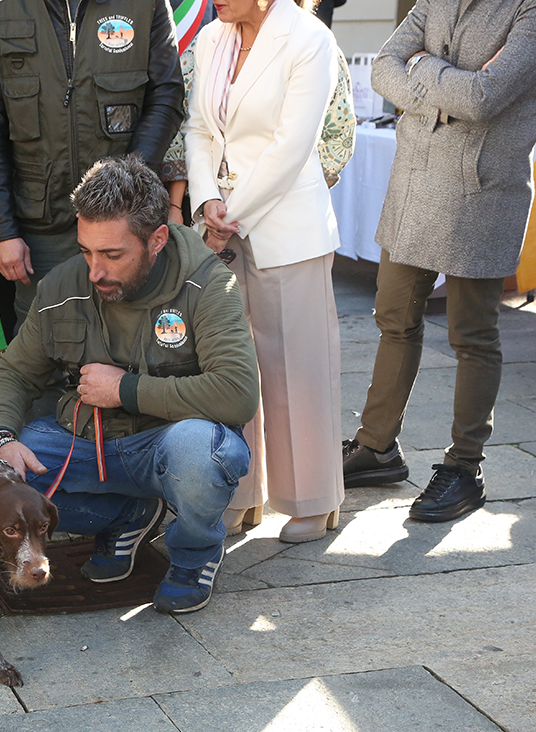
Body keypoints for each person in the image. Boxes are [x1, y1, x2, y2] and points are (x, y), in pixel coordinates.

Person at [0, 155, 259, 614]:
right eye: (87, 250)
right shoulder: (64, 284)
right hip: (92, 443)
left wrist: (125, 389)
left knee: (199, 449)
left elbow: (238, 392)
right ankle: (127, 516)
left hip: (171, 447)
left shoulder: (208, 284)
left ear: (157, 240)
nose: (94, 270)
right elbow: (14, 372)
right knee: (2, 478)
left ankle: (194, 556)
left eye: (112, 255)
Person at [341, 0, 536, 523]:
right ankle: (377, 447)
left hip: (483, 188)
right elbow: (384, 68)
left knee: (472, 333)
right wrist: (448, 88)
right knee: (393, 318)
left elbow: (483, 98)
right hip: (414, 180)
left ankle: (464, 467)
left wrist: (423, 68)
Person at [184, 0, 342, 542]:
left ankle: (312, 501)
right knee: (231, 364)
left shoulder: (309, 38)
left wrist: (232, 214)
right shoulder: (211, 39)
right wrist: (206, 200)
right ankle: (238, 493)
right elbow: (199, 129)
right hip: (220, 226)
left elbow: (292, 147)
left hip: (287, 227)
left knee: (298, 368)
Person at [0, 0, 185, 328]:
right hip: (38, 231)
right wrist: (2, 232)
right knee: (41, 352)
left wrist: (125, 185)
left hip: (125, 226)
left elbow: (167, 96)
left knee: (127, 345)